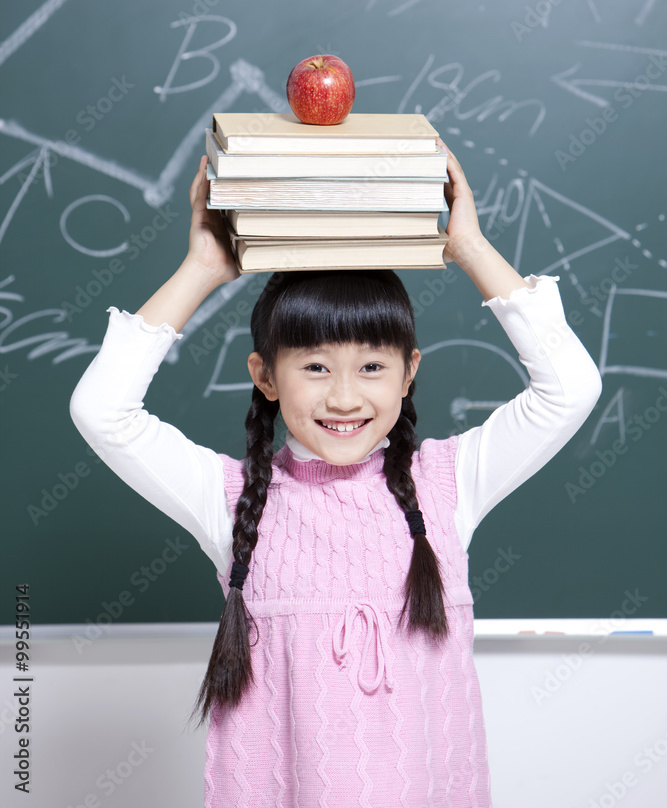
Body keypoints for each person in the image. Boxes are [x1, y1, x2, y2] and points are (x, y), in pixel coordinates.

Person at [70, 146, 602, 807]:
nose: (345, 398)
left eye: (372, 368)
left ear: (410, 372)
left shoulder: (447, 481)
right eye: (315, 368)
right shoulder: (230, 501)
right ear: (264, 376)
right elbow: (102, 410)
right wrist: (202, 268)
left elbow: (570, 388)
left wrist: (467, 246)